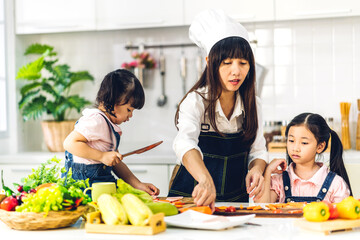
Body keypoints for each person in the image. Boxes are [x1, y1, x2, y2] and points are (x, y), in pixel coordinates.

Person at [168, 9, 268, 209]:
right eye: (227, 63)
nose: (236, 71)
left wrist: (257, 170)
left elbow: (258, 152)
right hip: (190, 198)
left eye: (243, 63)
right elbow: (184, 143)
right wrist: (205, 179)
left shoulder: (253, 105)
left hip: (235, 201)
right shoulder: (195, 101)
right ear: (209, 63)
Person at [62, 69, 159, 196]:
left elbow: (117, 164)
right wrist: (102, 156)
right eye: (129, 110)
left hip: (102, 184)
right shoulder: (97, 120)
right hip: (84, 187)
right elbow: (69, 143)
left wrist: (138, 184)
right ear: (114, 101)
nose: (130, 116)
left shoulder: (108, 125)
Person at [255, 113, 352, 203]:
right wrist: (268, 171)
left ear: (320, 147)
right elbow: (261, 208)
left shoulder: (336, 184)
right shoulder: (279, 181)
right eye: (291, 140)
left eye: (304, 143)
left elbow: (342, 217)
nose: (295, 148)